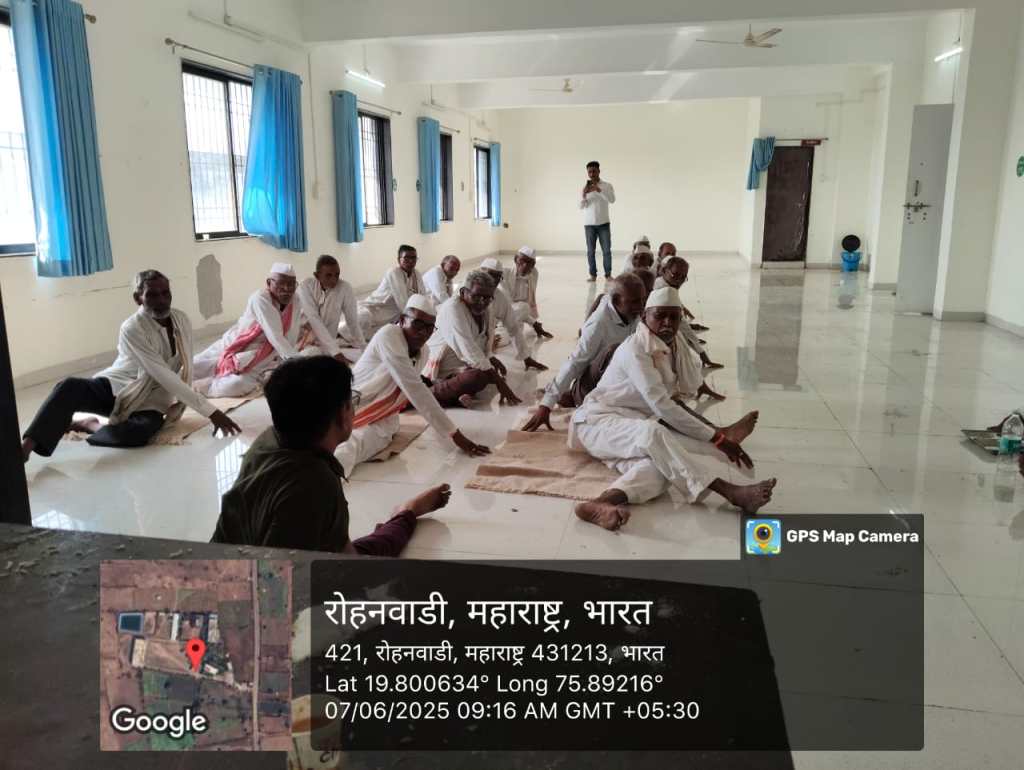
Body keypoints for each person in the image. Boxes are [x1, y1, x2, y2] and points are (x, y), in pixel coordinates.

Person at [568, 287, 776, 531]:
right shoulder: (635, 349)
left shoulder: (675, 346)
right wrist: (718, 438)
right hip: (595, 424)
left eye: (674, 317)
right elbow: (662, 405)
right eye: (660, 315)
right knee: (653, 434)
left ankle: (601, 503)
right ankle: (729, 491)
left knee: (662, 470)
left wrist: (714, 438)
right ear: (645, 317)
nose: (667, 322)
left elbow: (675, 399)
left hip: (628, 428)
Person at [211, 356, 450, 555]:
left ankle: (404, 514)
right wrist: (404, 520)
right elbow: (350, 565)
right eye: (351, 402)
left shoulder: (268, 440)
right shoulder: (316, 481)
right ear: (341, 415)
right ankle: (404, 513)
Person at [21, 270, 241, 460]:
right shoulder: (133, 327)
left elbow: (183, 369)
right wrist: (212, 412)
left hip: (151, 399)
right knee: (68, 387)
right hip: (116, 388)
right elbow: (162, 373)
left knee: (138, 433)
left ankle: (90, 425)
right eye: (152, 295)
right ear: (138, 298)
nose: (161, 300)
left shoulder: (181, 319)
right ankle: (26, 449)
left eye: (165, 293)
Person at [335, 294, 491, 477]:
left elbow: (414, 388)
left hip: (385, 414)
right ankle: (322, 481)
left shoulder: (424, 351)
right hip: (351, 405)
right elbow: (415, 389)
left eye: (429, 328)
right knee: (346, 447)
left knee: (378, 433)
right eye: (417, 325)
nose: (423, 333)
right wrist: (455, 435)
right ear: (402, 320)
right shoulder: (389, 335)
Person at [522, 273, 646, 432]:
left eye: (643, 300)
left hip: (617, 379)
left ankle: (568, 395)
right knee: (615, 350)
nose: (641, 306)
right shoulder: (599, 324)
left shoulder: (629, 311)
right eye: (635, 302)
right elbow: (574, 362)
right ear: (616, 300)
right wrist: (546, 406)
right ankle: (574, 395)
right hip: (594, 385)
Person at [193, 263, 303, 398]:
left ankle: (205, 387)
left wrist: (286, 362)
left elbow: (292, 333)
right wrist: (298, 363)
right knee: (193, 367)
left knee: (236, 385)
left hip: (264, 355)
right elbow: (276, 336)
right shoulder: (260, 298)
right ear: (269, 283)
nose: (287, 289)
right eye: (281, 284)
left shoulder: (296, 300)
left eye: (291, 284)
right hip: (236, 344)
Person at [424, 270, 523, 408]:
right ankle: (430, 393)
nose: (482, 302)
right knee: (478, 377)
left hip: (463, 364)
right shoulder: (453, 308)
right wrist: (500, 382)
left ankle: (455, 395)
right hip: (443, 368)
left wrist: (490, 357)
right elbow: (467, 347)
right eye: (476, 296)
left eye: (487, 297)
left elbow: (485, 338)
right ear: (463, 292)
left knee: (485, 374)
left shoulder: (487, 308)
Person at [481, 258, 549, 372]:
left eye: (498, 277)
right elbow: (463, 337)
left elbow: (512, 326)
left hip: (490, 330)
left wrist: (526, 357)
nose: (494, 280)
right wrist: (487, 359)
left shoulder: (498, 295)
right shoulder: (465, 293)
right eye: (491, 275)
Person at [656, 256, 722, 370]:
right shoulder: (666, 291)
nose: (679, 280)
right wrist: (703, 355)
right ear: (664, 270)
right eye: (675, 275)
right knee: (682, 349)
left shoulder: (661, 282)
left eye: (683, 277)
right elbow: (683, 326)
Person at [295, 255, 364, 360]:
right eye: (328, 275)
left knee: (360, 355)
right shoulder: (305, 286)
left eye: (337, 275)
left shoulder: (345, 288)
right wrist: (335, 351)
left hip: (328, 342)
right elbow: (313, 319)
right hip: (302, 340)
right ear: (317, 275)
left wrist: (363, 347)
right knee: (309, 354)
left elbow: (352, 321)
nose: (334, 280)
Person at [357, 245, 425, 339]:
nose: (410, 261)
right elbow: (402, 302)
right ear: (399, 260)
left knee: (383, 336)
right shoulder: (394, 272)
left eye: (414, 258)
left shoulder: (416, 274)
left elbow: (423, 297)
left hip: (391, 316)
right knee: (363, 319)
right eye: (406, 258)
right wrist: (420, 320)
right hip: (374, 310)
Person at [504, 246, 553, 339]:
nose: (525, 266)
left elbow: (530, 301)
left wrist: (534, 323)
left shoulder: (534, 273)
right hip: (503, 315)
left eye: (530, 263)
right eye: (522, 261)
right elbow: (505, 306)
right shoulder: (505, 274)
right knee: (504, 338)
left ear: (533, 265)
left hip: (519, 314)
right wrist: (533, 322)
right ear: (515, 259)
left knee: (518, 332)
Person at [580, 160, 616, 282]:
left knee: (606, 251)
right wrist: (584, 195)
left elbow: (612, 200)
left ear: (599, 171)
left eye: (594, 171)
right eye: (589, 172)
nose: (591, 174)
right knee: (590, 251)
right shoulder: (585, 187)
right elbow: (581, 206)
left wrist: (598, 190)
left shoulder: (607, 186)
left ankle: (608, 275)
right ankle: (593, 275)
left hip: (603, 223)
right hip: (589, 225)